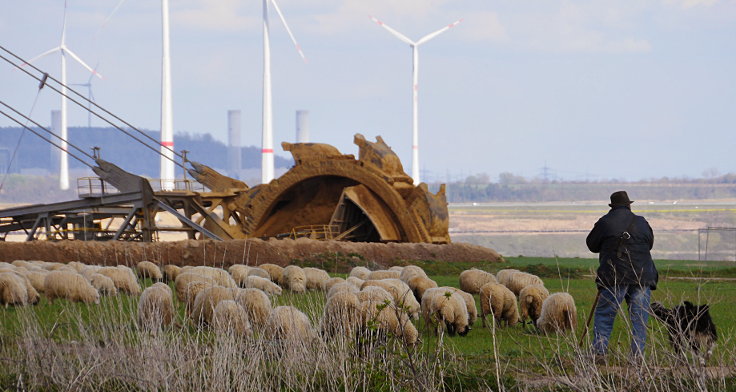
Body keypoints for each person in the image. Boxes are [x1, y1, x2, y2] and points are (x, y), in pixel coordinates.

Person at [586, 191, 658, 361]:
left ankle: (599, 354)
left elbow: (592, 245)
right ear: (629, 205)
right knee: (639, 318)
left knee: (605, 314)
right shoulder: (642, 222)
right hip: (642, 276)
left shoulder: (605, 222)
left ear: (612, 205)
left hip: (614, 276)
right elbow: (650, 243)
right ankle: (638, 356)